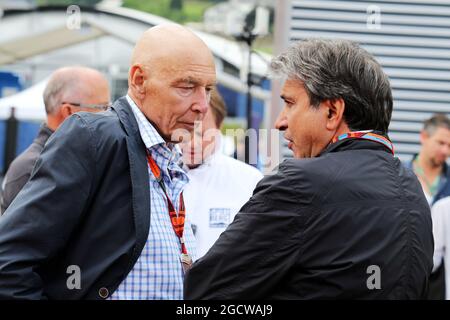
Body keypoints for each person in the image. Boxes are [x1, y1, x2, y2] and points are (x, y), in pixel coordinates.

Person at [184, 38, 434, 299]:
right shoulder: (412, 189)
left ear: (332, 112)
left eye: (290, 103)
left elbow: (205, 292)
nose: (280, 122)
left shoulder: (301, 184)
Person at [0, 23, 216, 299]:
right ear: (139, 80)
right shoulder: (93, 138)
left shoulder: (165, 152)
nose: (203, 104)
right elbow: (9, 262)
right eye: (187, 86)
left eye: (208, 89)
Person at [0, 66, 111, 214]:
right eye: (103, 107)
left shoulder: (73, 159)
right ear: (69, 112)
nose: (109, 115)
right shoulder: (32, 169)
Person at [181, 88, 263, 258]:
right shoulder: (157, 177)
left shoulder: (249, 181)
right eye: (186, 132)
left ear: (219, 127)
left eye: (201, 134)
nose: (192, 143)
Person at [407, 114, 450, 300]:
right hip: (408, 271)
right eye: (440, 142)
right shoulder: (400, 176)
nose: (445, 150)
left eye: (449, 145)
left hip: (441, 281)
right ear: (423, 137)